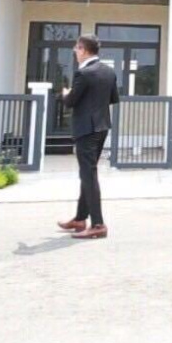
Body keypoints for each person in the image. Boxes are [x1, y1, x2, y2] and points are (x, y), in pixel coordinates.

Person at [56, 34, 119, 240]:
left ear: (83, 50)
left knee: (88, 174)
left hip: (86, 129)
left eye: (77, 48)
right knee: (88, 173)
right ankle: (80, 219)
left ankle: (98, 224)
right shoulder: (109, 71)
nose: (75, 51)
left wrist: (66, 93)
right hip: (102, 127)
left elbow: (70, 102)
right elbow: (113, 98)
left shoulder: (83, 73)